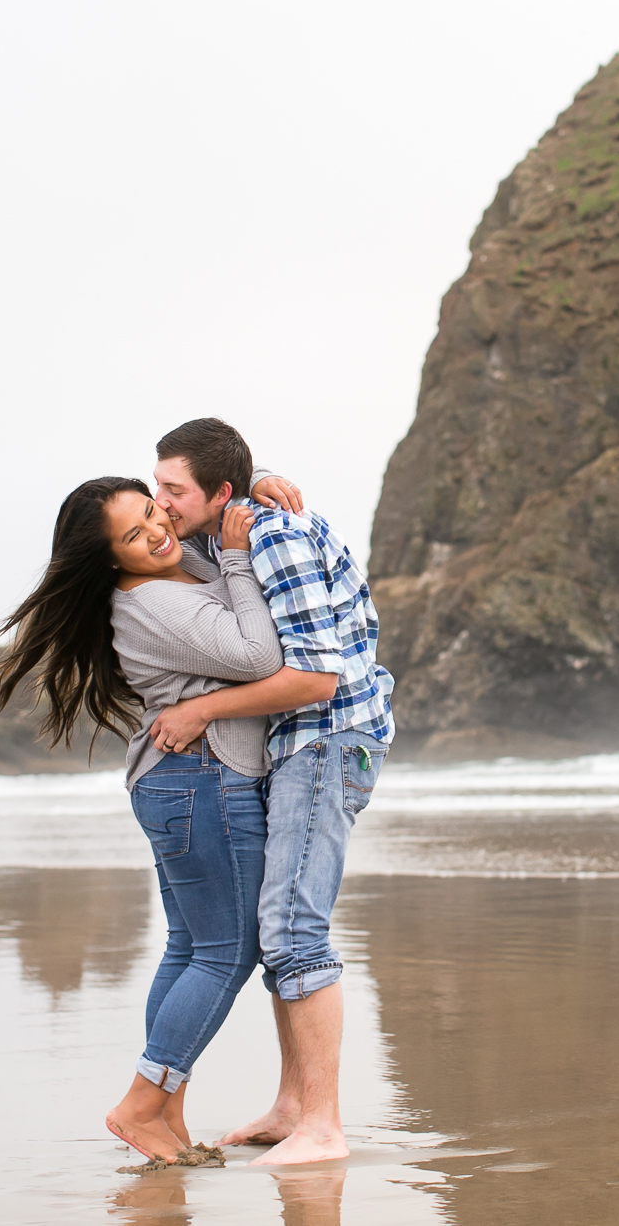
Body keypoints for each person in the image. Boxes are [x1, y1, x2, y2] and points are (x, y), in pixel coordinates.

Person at [0, 473, 326, 1165]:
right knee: (230, 951)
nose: (156, 530)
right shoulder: (153, 599)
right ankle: (142, 1102)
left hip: (178, 783)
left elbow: (203, 509)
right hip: (204, 781)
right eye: (133, 535)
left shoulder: (169, 564)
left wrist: (250, 483)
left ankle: (163, 1113)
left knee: (189, 948)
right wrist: (230, 557)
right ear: (114, 560)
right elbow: (260, 654)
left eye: (151, 510)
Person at [144, 418, 395, 1166]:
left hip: (324, 735)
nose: (160, 503)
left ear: (219, 493)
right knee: (278, 920)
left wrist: (199, 709)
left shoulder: (274, 536)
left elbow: (316, 676)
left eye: (172, 489)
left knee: (293, 926)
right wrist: (255, 482)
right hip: (306, 742)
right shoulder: (236, 527)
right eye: (156, 484)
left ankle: (323, 1125)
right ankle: (294, 1106)